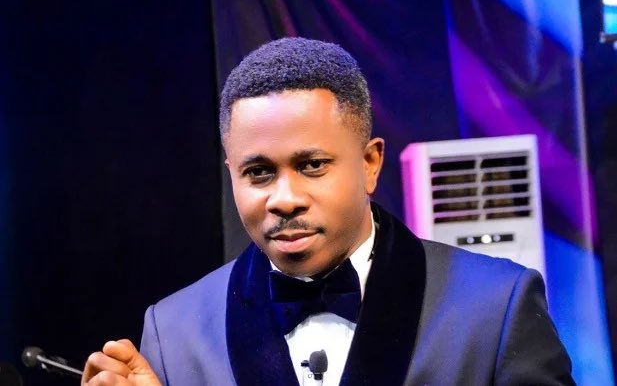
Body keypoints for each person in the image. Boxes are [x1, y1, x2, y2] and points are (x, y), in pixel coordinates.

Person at [81, 37, 574, 385]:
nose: (284, 198)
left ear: (370, 163)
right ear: (231, 173)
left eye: (312, 165)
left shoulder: (496, 306)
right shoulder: (172, 331)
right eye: (258, 172)